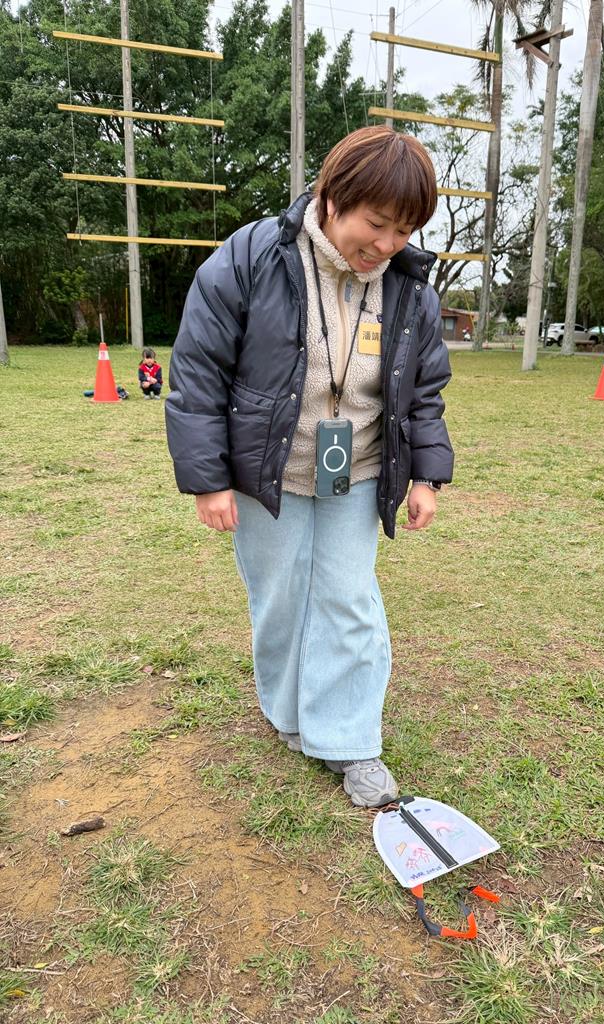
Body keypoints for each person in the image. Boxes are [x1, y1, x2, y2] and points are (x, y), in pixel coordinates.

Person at [165, 126, 453, 808]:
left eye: (404, 230)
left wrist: (426, 475)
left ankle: (348, 738)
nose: (387, 245)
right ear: (331, 197)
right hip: (266, 472)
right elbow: (199, 372)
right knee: (282, 597)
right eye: (376, 224)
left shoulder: (410, 288)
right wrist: (207, 479)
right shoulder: (252, 257)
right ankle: (290, 712)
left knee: (348, 598)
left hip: (360, 467)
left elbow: (423, 391)